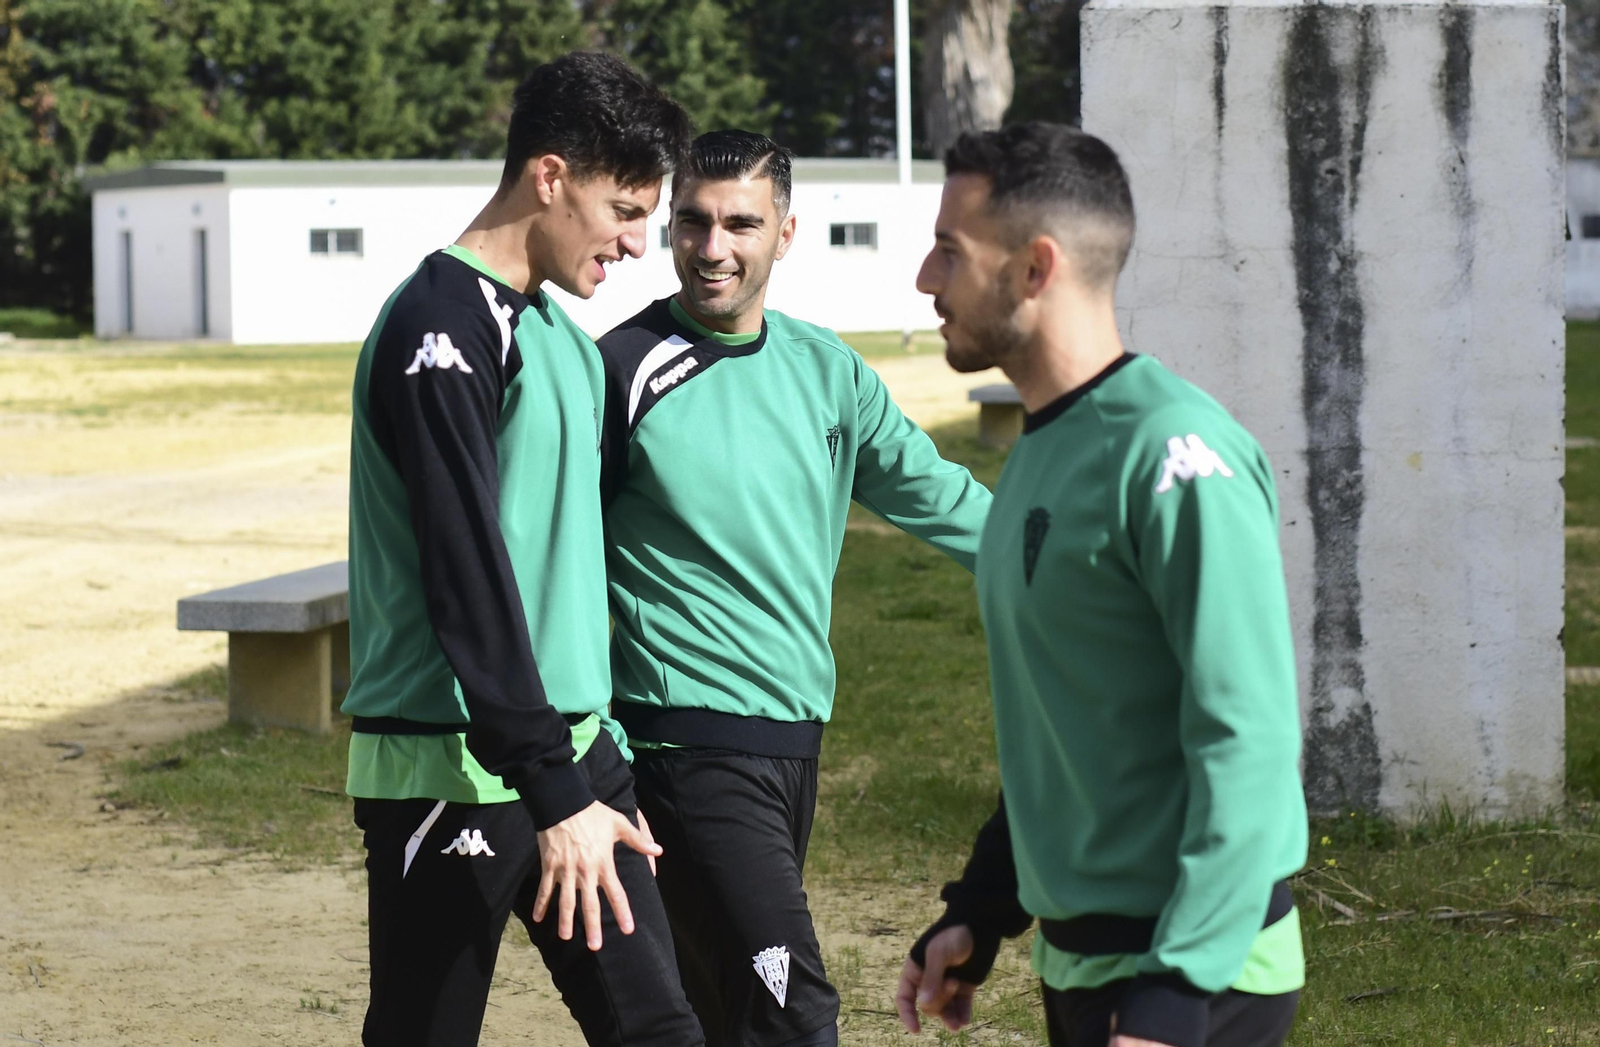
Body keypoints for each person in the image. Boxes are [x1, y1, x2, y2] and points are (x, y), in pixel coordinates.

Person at [895, 122, 1308, 1047]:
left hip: (1199, 974)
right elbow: (1064, 716)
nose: (926, 279)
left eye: (949, 252)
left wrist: (1180, 987)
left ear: (1036, 268)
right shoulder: (1041, 454)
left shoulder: (1175, 454)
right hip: (1086, 963)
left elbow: (1248, 735)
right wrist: (984, 905)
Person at [595, 130, 993, 1047]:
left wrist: (1072, 566)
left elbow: (942, 498)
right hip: (679, 741)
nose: (712, 247)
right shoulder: (619, 372)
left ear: (786, 231)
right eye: (691, 222)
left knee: (717, 1014)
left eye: (740, 223)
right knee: (794, 1012)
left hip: (791, 739)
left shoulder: (831, 371)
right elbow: (556, 562)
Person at [341, 51, 704, 1047]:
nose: (638, 243)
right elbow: (465, 573)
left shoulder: (553, 332)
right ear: (551, 176)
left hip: (576, 752)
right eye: (623, 209)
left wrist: (583, 763)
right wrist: (552, 787)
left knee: (660, 1031)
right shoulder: (439, 330)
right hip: (452, 768)